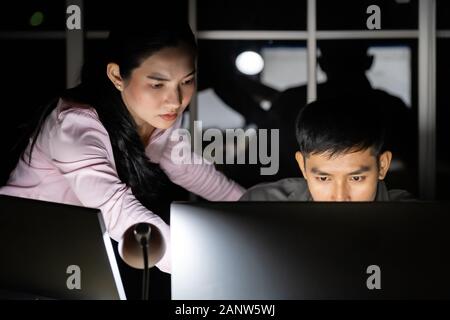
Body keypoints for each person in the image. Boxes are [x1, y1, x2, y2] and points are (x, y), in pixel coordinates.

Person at [0, 21, 245, 274]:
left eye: (186, 81)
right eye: (157, 84)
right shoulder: (74, 125)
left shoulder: (157, 118)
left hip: (70, 255)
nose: (175, 101)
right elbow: (118, 211)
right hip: (18, 250)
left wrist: (261, 212)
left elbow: (193, 171)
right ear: (117, 76)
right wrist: (210, 266)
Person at [240, 97, 412, 201]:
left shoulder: (414, 221)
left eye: (356, 178)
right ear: (303, 166)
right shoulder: (262, 204)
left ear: (382, 165)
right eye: (323, 178)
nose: (340, 197)